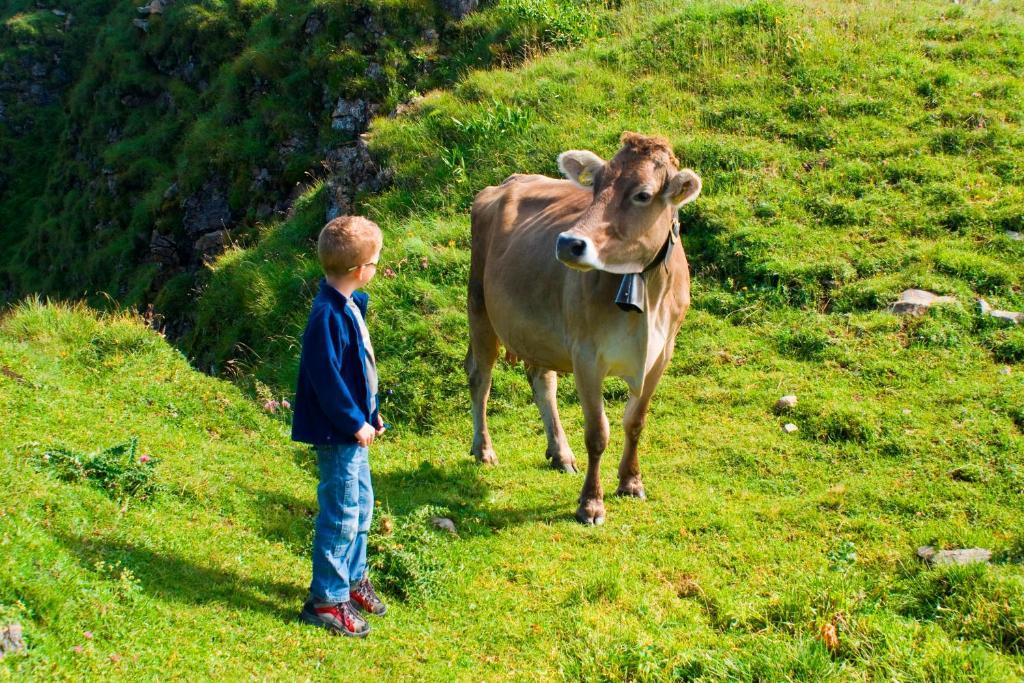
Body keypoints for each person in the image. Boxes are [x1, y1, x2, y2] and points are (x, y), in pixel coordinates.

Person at [292, 215, 388, 637]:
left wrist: (371, 413)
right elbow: (326, 379)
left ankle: (351, 579)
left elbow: (358, 371)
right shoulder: (325, 318)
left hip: (352, 428)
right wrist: (353, 422)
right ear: (359, 270)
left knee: (361, 506)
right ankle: (326, 601)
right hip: (337, 433)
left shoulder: (348, 305)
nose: (378, 267)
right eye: (376, 260)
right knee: (341, 514)